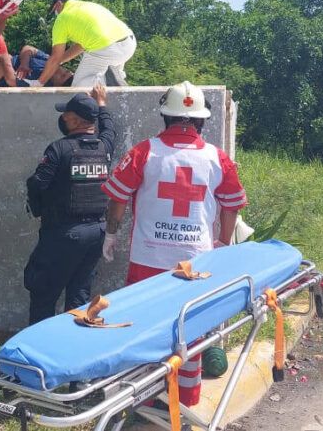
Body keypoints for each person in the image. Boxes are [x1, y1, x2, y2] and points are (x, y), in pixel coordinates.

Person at [100, 81, 246, 406]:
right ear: (201, 120)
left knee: (144, 329)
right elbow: (231, 203)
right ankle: (184, 403)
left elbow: (118, 200)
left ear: (165, 115)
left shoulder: (143, 151)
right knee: (190, 330)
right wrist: (223, 240)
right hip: (196, 264)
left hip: (147, 260)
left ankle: (146, 403)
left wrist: (111, 233)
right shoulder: (217, 158)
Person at [24, 85, 116, 324]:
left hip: (63, 233)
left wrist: (39, 209)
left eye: (66, 114)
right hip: (97, 232)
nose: (62, 117)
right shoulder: (104, 148)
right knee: (79, 296)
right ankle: (71, 352)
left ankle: (39, 352)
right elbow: (110, 130)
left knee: (44, 292)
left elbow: (37, 184)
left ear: (75, 120)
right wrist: (102, 104)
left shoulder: (60, 149)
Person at [37, 0, 137, 88]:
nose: (56, 13)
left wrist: (38, 84)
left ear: (59, 4)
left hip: (106, 49)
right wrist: (60, 61)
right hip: (128, 43)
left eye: (54, 10)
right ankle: (114, 83)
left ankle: (107, 82)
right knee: (110, 77)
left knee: (79, 86)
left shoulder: (62, 18)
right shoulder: (89, 6)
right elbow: (81, 46)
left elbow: (55, 57)